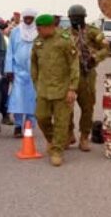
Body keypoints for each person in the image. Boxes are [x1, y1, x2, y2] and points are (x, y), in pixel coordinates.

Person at [32, 14, 79, 167]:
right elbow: (34, 64)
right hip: (44, 89)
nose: (37, 31)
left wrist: (72, 88)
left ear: (49, 27)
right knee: (41, 117)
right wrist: (36, 83)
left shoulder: (65, 40)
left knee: (61, 121)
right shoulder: (38, 41)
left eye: (39, 28)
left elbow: (74, 64)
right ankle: (53, 140)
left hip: (62, 89)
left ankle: (57, 151)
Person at [65, 4, 108, 151]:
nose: (76, 21)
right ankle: (69, 134)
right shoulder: (64, 34)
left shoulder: (93, 32)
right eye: (73, 18)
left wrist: (95, 58)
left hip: (86, 74)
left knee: (87, 107)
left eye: (79, 18)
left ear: (84, 18)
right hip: (69, 76)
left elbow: (106, 48)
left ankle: (84, 137)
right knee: (66, 107)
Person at [5, 9, 39, 138]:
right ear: (23, 18)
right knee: (18, 100)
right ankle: (18, 126)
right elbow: (10, 51)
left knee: (32, 100)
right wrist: (9, 69)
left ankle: (29, 125)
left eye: (31, 17)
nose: (28, 20)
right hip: (18, 72)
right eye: (26, 17)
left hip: (34, 73)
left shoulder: (38, 32)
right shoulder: (15, 32)